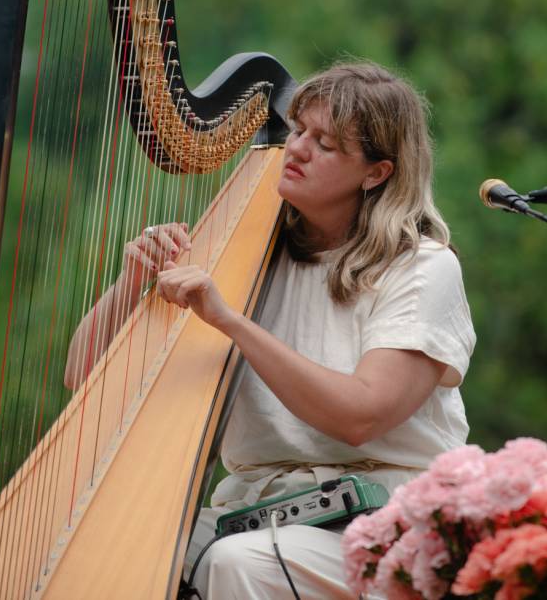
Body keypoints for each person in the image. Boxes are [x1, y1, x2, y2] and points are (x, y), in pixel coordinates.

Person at [144, 61, 476, 599]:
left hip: (383, 520)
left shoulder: (422, 270)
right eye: (299, 130)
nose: (295, 148)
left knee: (238, 564)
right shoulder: (248, 255)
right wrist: (133, 279)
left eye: (325, 144)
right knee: (126, 553)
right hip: (256, 511)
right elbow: (80, 375)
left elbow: (359, 417)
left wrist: (230, 321)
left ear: (376, 173)